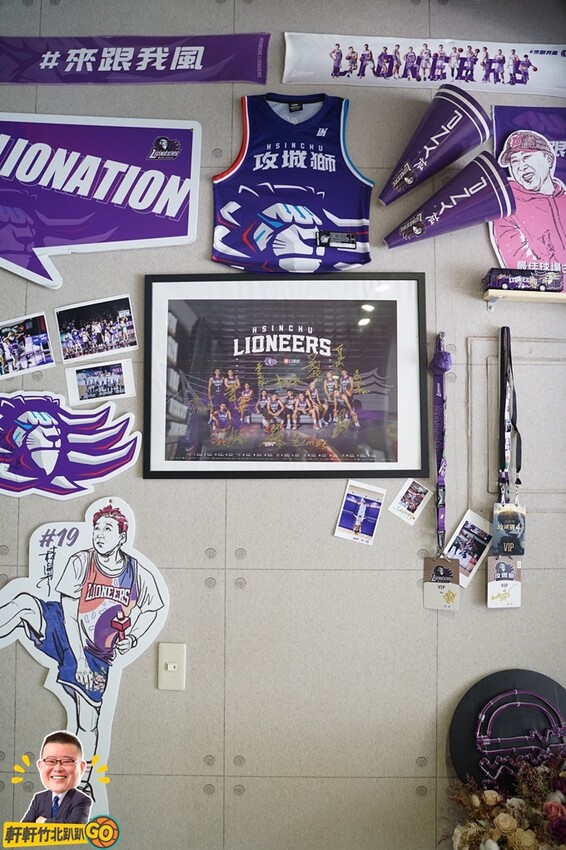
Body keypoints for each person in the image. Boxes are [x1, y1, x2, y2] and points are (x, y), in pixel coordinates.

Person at [0, 503, 166, 796]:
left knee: (88, 722)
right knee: (24, 604)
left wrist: (133, 637)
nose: (99, 534)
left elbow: (154, 607)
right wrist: (79, 662)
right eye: (97, 529)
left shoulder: (136, 572)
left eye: (107, 529)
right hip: (66, 630)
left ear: (121, 537)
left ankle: (83, 783)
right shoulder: (81, 561)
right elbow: (69, 614)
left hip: (97, 652)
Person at [492, 130, 566, 271]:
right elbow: (519, 263)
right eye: (514, 161)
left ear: (548, 159)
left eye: (527, 156)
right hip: (543, 284)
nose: (521, 167)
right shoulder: (507, 207)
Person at [21, 731, 92, 824]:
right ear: (40, 766)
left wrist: (44, 821)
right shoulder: (39, 798)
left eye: (67, 761)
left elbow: (73, 826)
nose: (58, 769)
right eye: (51, 761)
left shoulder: (81, 800)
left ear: (81, 767)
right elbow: (23, 827)